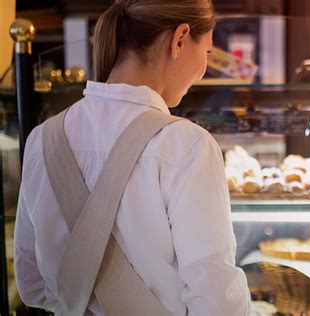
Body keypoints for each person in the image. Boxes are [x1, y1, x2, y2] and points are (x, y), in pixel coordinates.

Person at [14, 0, 251, 315]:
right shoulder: (187, 145)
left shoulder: (42, 139)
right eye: (206, 52)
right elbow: (217, 304)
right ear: (179, 39)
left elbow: (31, 286)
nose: (203, 67)